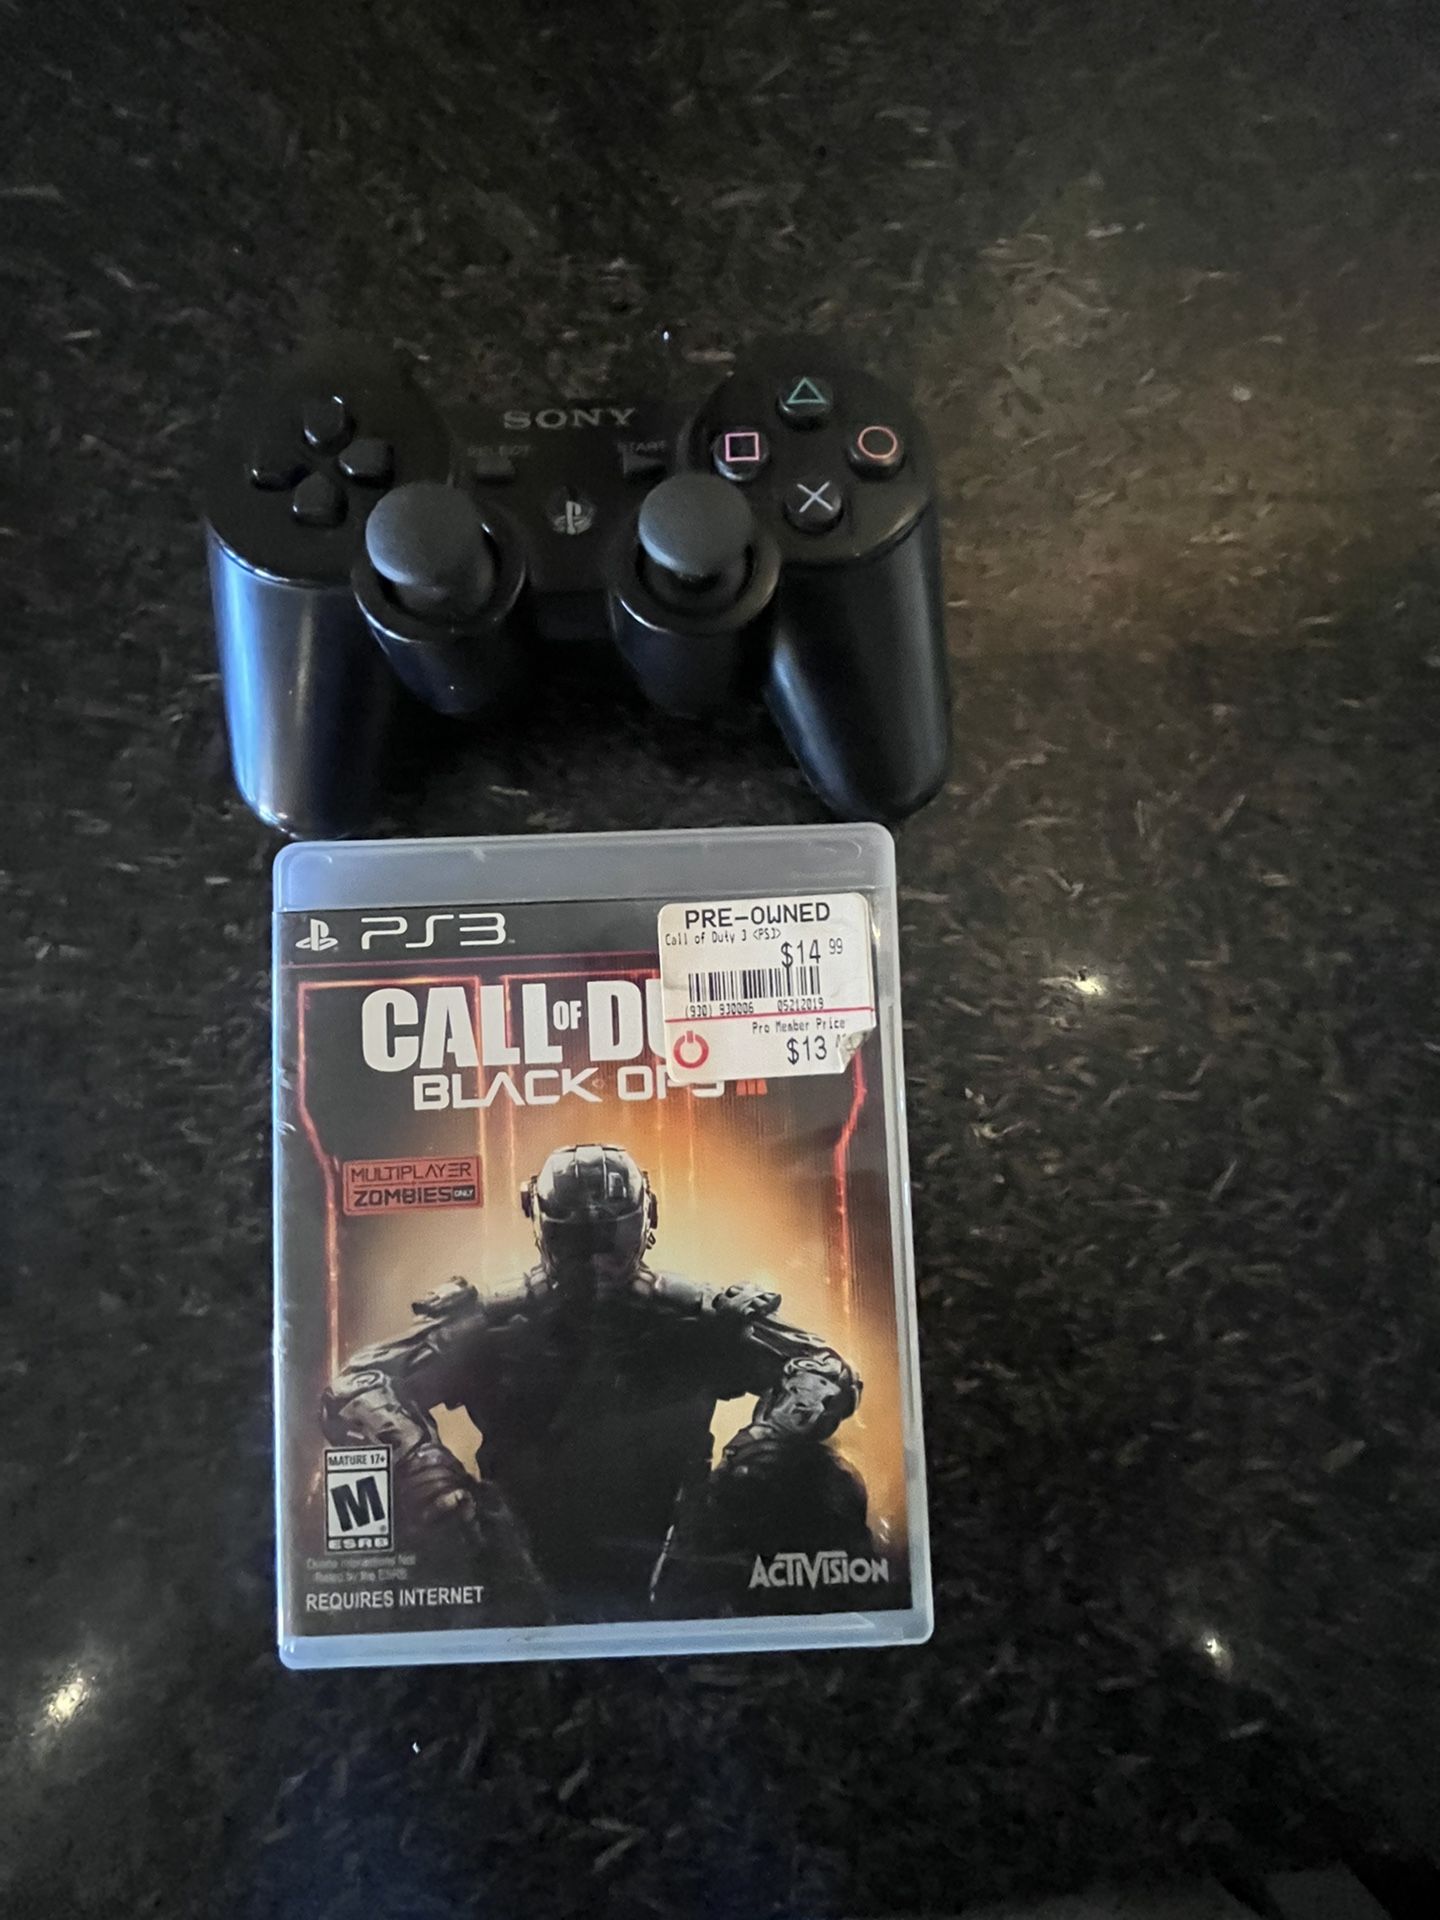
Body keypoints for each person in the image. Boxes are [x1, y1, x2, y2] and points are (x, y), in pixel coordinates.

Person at [321, 1143, 872, 1619]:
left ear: (644, 1223)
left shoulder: (695, 1318)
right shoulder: (492, 1324)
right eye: (576, 1242)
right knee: (360, 1492)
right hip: (507, 1554)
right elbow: (359, 1384)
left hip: (687, 1547)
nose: (595, 1262)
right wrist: (419, 1461)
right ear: (544, 1230)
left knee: (820, 1480)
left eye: (610, 1238)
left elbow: (820, 1367)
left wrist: (771, 1441)